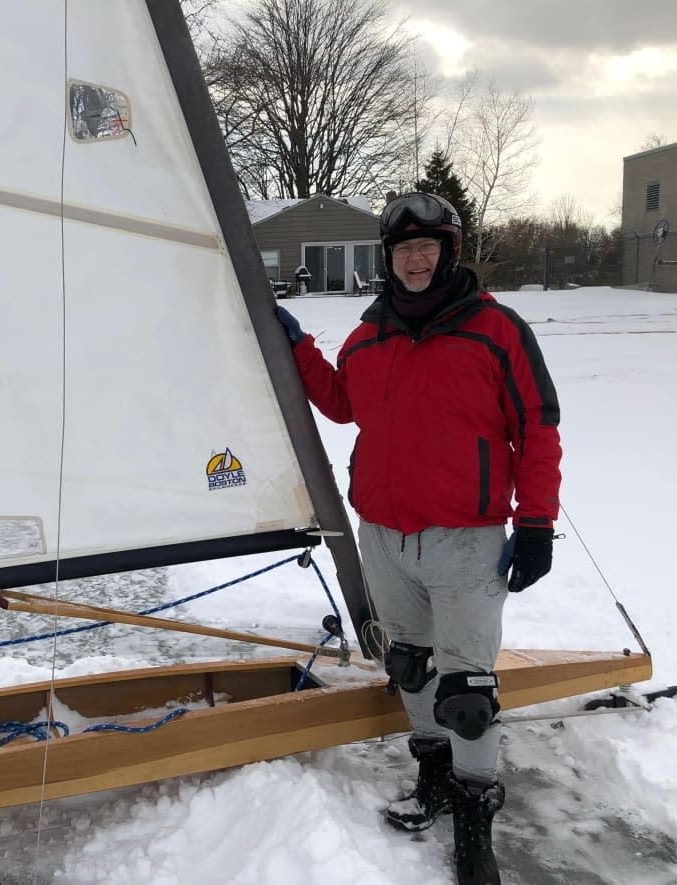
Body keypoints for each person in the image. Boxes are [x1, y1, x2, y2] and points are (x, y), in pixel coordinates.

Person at [275, 192, 561, 885]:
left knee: (467, 689)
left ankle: (474, 817)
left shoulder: (498, 329)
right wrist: (294, 344)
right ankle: (432, 778)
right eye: (404, 249)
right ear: (389, 257)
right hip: (384, 532)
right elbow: (345, 403)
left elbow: (538, 426)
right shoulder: (369, 335)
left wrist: (535, 523)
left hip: (466, 538)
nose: (416, 258)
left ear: (449, 252)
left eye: (429, 246)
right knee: (408, 663)